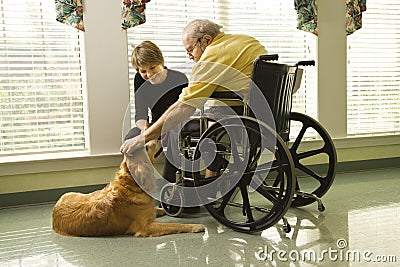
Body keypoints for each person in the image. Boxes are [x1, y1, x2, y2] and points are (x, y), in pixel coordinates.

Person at [121, 19, 268, 176]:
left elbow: (184, 106)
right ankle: (208, 179)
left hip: (239, 120)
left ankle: (174, 184)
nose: (190, 56)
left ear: (206, 40)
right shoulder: (247, 41)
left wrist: (143, 137)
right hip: (264, 116)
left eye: (190, 50)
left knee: (175, 128)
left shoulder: (212, 57)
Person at [124, 40, 188, 183]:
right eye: (143, 71)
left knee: (174, 135)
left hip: (176, 124)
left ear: (161, 61)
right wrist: (145, 130)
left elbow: (183, 111)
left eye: (153, 68)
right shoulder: (139, 80)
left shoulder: (179, 78)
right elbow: (140, 115)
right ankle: (136, 184)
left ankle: (170, 183)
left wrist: (153, 133)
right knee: (131, 136)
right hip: (155, 125)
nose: (149, 74)